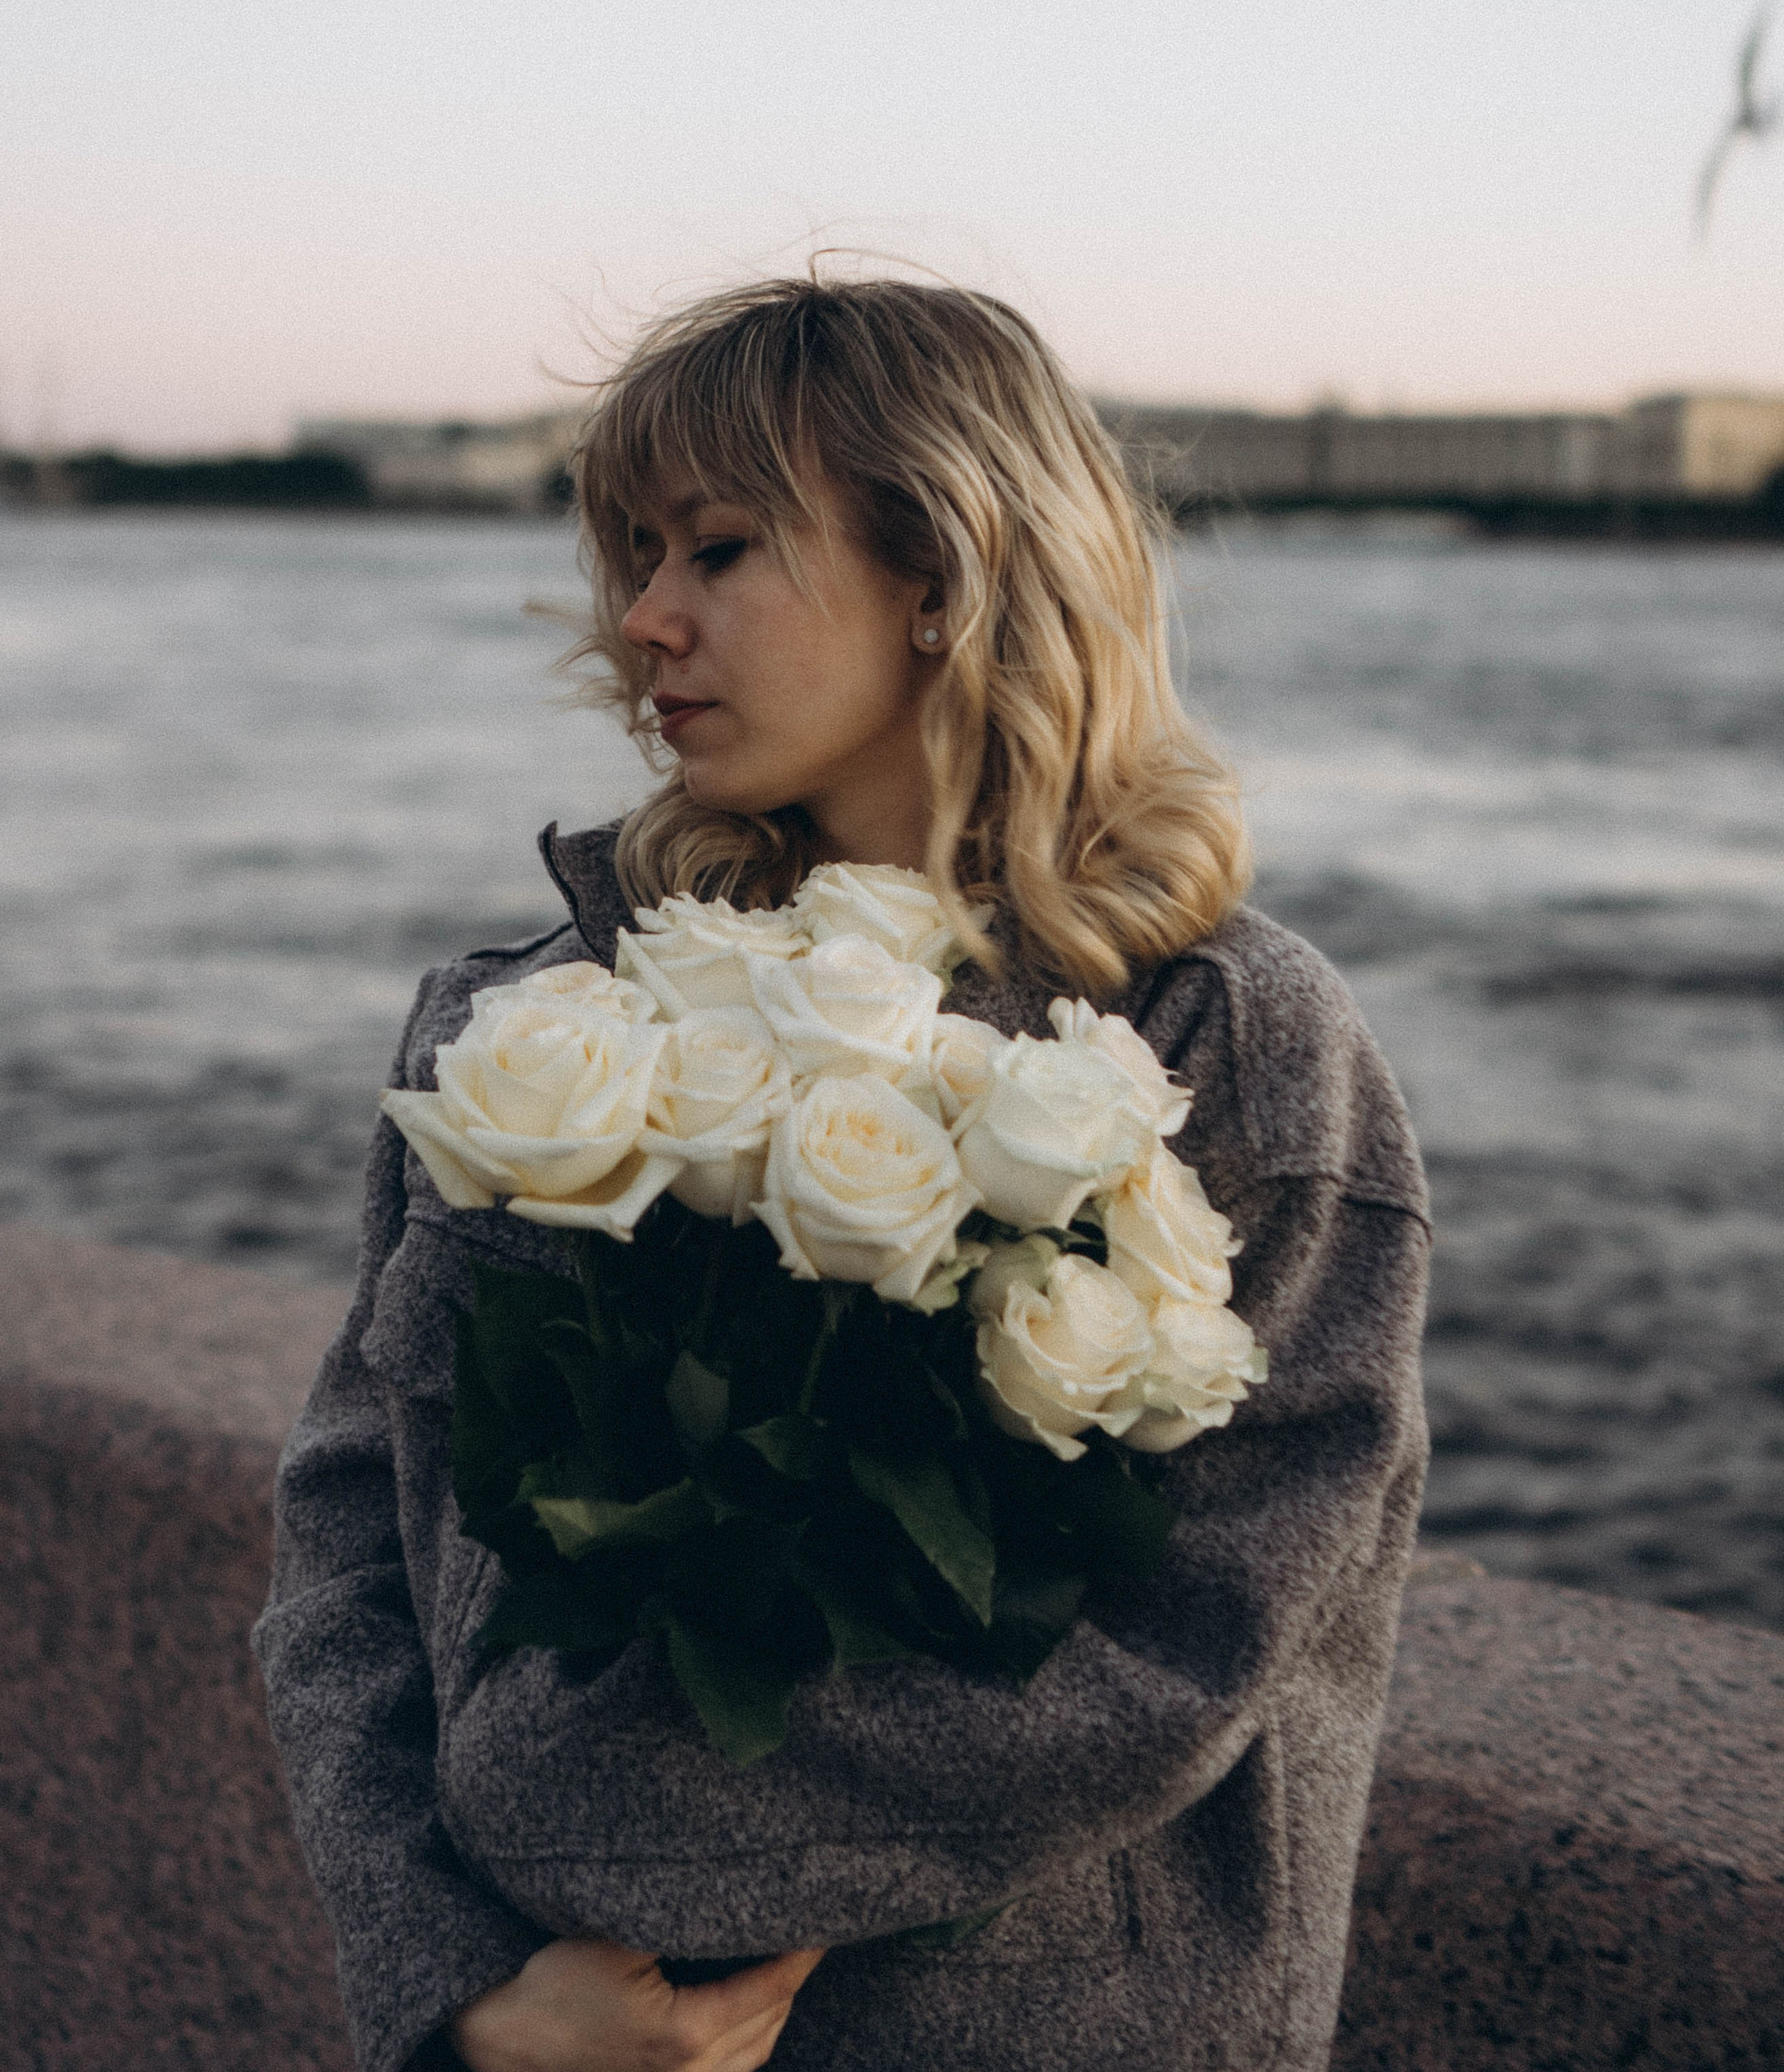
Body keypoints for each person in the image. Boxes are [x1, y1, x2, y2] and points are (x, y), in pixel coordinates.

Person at [255, 277, 1430, 2072]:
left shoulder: (1222, 1045)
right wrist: (464, 1994)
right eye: (632, 552)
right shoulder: (522, 1029)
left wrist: (603, 1835)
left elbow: (1202, 1629)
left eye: (718, 549)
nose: (643, 618)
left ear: (947, 577)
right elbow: (348, 1542)